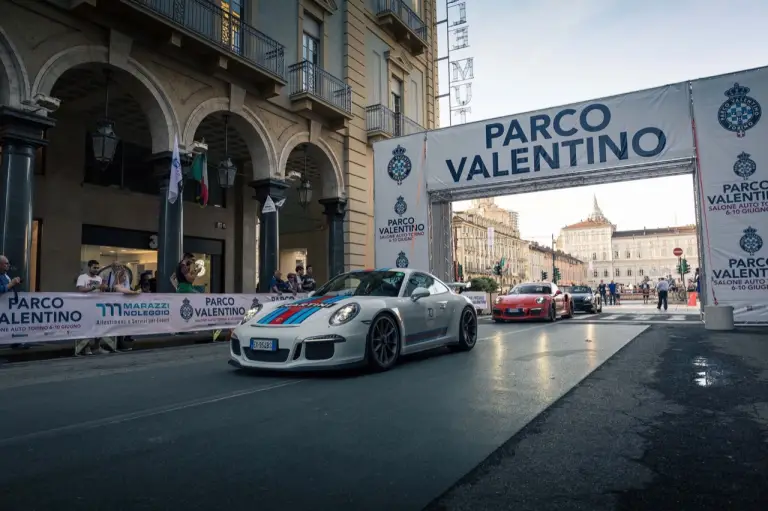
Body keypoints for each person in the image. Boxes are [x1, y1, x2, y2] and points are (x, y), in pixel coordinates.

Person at [75, 260, 116, 355]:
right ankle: (86, 347)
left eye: (97, 268)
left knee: (99, 326)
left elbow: (100, 291)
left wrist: (103, 288)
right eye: (94, 267)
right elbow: (81, 289)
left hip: (97, 306)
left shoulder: (99, 278)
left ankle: (97, 346)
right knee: (86, 327)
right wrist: (94, 287)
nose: (96, 269)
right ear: (89, 267)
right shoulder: (82, 277)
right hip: (85, 306)